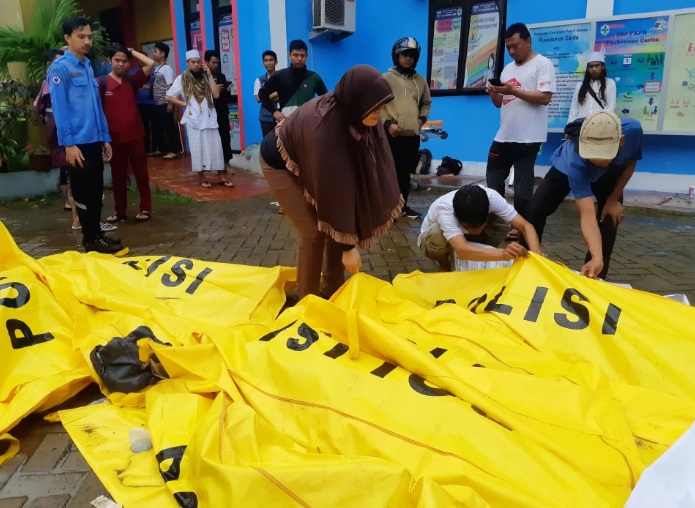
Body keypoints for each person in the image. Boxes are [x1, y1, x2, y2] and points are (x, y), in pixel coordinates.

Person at [259, 65, 402, 299]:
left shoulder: (363, 115)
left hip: (310, 159)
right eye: (376, 106)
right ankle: (307, 300)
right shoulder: (324, 132)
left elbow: (373, 168)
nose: (381, 111)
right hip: (280, 163)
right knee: (313, 231)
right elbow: (332, 193)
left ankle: (332, 293)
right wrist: (349, 247)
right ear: (358, 100)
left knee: (336, 229)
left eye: (382, 104)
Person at [523, 111, 643, 280]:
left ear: (620, 142)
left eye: (602, 157)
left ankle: (594, 275)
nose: (596, 163)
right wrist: (597, 254)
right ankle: (526, 263)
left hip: (610, 174)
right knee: (534, 212)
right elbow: (587, 215)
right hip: (565, 171)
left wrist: (613, 199)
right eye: (592, 156)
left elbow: (631, 162)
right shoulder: (576, 161)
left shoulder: (633, 131)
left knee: (609, 219)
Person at [48, 17, 122, 254]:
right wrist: (68, 144)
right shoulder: (60, 69)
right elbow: (59, 110)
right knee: (82, 191)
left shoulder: (88, 66)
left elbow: (96, 106)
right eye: (81, 36)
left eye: (89, 36)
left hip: (93, 140)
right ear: (68, 38)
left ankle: (96, 236)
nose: (87, 41)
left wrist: (104, 136)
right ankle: (89, 238)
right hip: (77, 143)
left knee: (96, 189)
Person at [486, 22, 555, 241]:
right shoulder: (507, 69)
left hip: (528, 137)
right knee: (493, 177)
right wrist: (493, 92)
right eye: (508, 48)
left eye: (515, 46)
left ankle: (521, 224)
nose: (512, 51)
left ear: (527, 41)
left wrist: (513, 89)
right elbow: (500, 103)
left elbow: (544, 97)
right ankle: (495, 216)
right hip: (504, 134)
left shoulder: (542, 64)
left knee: (523, 185)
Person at [419, 184, 541, 271]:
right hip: (431, 244)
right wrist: (503, 254)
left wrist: (536, 255)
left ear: (486, 218)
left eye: (477, 226)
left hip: (464, 240)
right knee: (437, 232)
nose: (474, 231)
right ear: (457, 216)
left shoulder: (492, 198)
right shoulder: (445, 210)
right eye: (468, 227)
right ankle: (444, 266)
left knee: (503, 219)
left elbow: (525, 226)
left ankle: (484, 256)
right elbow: (462, 250)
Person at [100, 45, 155, 223]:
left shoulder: (132, 80)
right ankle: (120, 211)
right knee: (118, 177)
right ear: (110, 61)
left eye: (125, 61)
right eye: (117, 60)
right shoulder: (101, 83)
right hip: (113, 139)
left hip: (135, 136)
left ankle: (145, 208)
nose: (121, 64)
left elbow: (150, 63)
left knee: (141, 174)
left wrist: (131, 52)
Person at [166, 49, 233, 188]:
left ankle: (221, 175)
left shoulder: (205, 76)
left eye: (198, 62)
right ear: (187, 63)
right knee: (198, 149)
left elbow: (216, 95)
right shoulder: (181, 78)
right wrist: (183, 103)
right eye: (193, 62)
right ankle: (201, 177)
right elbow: (168, 96)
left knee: (216, 148)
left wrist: (209, 75)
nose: (196, 65)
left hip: (209, 117)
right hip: (194, 119)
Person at [382, 37, 432, 219]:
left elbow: (426, 102)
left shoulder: (420, 81)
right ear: (397, 56)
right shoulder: (386, 78)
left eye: (412, 55)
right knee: (390, 173)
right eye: (405, 54)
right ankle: (388, 210)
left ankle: (402, 207)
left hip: (412, 136)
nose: (408, 58)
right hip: (392, 135)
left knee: (405, 174)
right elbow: (377, 104)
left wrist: (421, 120)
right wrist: (387, 124)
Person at [257, 39, 328, 121]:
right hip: (286, 124)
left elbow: (327, 99)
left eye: (302, 55)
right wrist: (274, 112)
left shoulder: (314, 77)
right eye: (295, 55)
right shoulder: (280, 76)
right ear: (289, 55)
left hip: (308, 124)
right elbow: (262, 93)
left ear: (307, 56)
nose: (299, 58)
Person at [204, 49, 234, 171]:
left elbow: (225, 98)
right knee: (210, 139)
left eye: (217, 63)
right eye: (213, 62)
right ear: (206, 62)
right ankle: (213, 165)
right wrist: (214, 89)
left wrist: (226, 91)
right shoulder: (201, 77)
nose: (216, 65)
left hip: (221, 111)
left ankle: (227, 163)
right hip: (208, 112)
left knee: (225, 137)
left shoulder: (221, 76)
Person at [150, 42, 181, 159]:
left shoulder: (167, 69)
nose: (153, 54)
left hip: (164, 103)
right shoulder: (158, 68)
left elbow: (170, 87)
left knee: (168, 126)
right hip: (157, 103)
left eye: (155, 52)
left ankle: (174, 150)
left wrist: (170, 104)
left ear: (162, 54)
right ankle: (161, 148)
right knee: (157, 127)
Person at [567, 52, 616, 123]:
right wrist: (569, 127)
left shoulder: (610, 83)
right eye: (591, 66)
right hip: (581, 127)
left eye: (597, 66)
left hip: (601, 126)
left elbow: (610, 109)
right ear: (587, 68)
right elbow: (574, 110)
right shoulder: (580, 85)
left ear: (603, 67)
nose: (594, 69)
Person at [254, 50, 279, 137]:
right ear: (263, 63)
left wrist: (265, 96)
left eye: (271, 60)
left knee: (282, 142)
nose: (268, 63)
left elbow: (284, 96)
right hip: (265, 116)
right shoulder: (259, 80)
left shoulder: (282, 77)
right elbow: (258, 99)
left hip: (281, 114)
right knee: (268, 142)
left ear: (276, 62)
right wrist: (275, 94)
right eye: (266, 60)